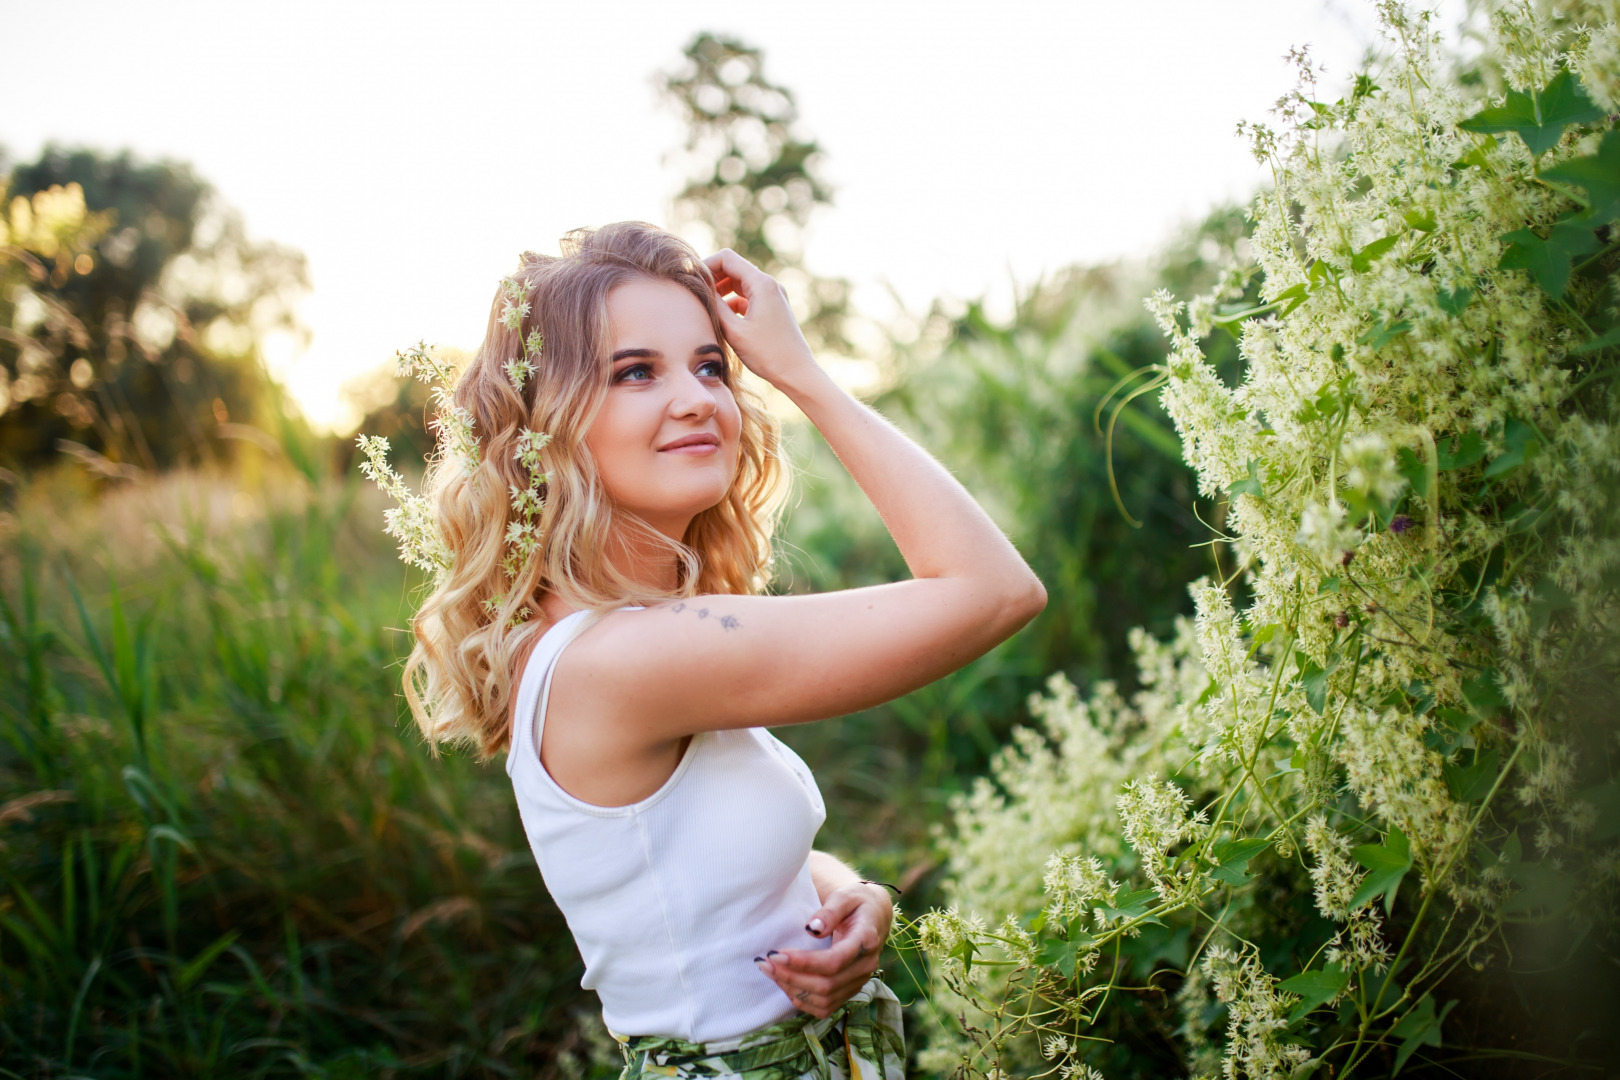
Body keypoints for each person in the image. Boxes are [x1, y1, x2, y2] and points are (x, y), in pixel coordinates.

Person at [389, 222, 1045, 1079]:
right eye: (635, 372)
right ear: (546, 423)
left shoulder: (614, 637)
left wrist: (851, 897)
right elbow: (995, 590)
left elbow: (704, 874)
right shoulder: (623, 659)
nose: (699, 397)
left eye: (711, 365)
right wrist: (804, 373)